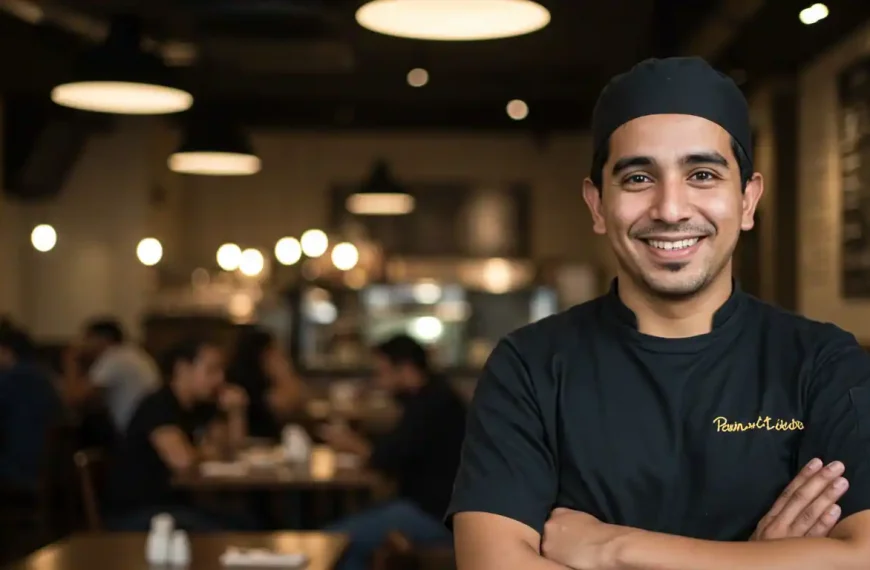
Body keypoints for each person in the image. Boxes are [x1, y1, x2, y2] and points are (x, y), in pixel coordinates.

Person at [447, 57, 870, 570]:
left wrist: (614, 549)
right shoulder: (529, 366)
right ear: (598, 204)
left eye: (703, 174)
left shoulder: (823, 363)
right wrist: (755, 564)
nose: (671, 209)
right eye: (639, 177)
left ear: (747, 199)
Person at [319, 335, 466, 570]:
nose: (378, 380)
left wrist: (352, 444)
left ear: (405, 369)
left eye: (382, 372)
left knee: (332, 541)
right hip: (432, 507)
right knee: (349, 549)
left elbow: (386, 458)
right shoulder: (432, 397)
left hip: (435, 513)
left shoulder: (433, 405)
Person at [104, 337, 254, 531]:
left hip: (174, 506)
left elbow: (231, 450)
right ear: (183, 369)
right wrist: (205, 452)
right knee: (230, 528)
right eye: (211, 370)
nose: (220, 379)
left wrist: (236, 412)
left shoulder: (199, 406)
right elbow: (183, 462)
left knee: (246, 520)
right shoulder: (159, 405)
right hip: (140, 512)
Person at [65, 318, 160, 434]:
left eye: (87, 339)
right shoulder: (134, 353)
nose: (83, 345)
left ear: (102, 339)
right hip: (149, 427)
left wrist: (71, 360)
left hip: (133, 432)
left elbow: (74, 398)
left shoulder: (112, 357)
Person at [0, 319, 62, 490]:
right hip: (45, 469)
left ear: (6, 351)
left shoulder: (12, 378)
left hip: (18, 469)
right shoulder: (45, 376)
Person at [227, 326, 309, 441]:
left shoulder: (252, 386)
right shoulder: (254, 393)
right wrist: (283, 371)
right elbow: (293, 402)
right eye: (276, 352)